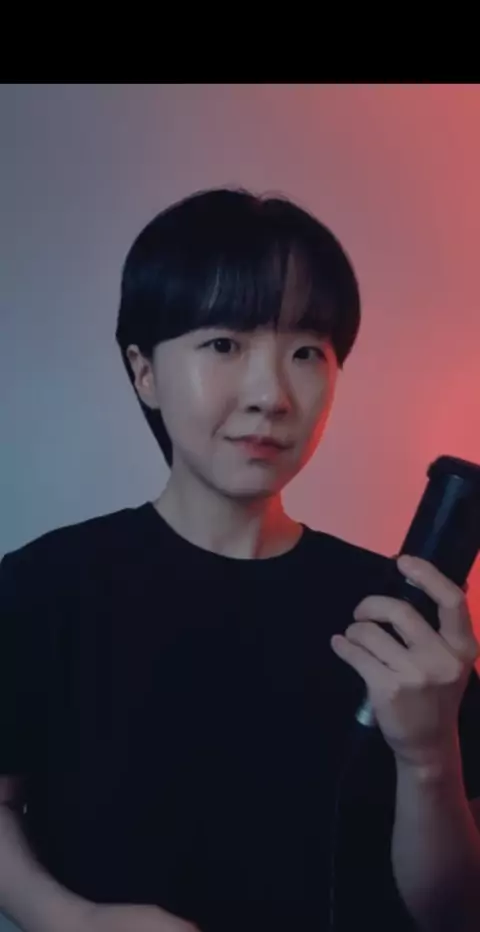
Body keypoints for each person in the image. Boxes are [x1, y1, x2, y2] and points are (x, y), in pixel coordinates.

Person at [1, 188, 480, 932]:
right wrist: (73, 921)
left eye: (307, 352)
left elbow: (454, 914)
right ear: (144, 372)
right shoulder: (44, 586)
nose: (271, 394)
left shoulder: (395, 620)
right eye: (225, 344)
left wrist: (430, 755)